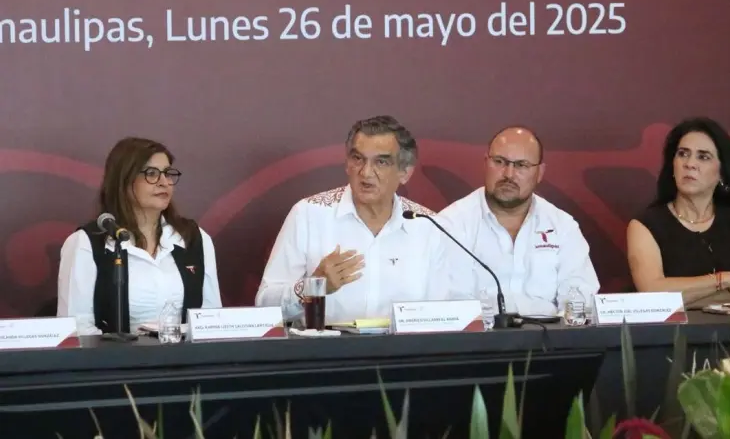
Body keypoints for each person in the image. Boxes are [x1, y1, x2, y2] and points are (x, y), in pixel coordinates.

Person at [255, 115, 453, 323]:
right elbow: (264, 305)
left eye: (381, 162)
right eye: (358, 159)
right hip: (325, 343)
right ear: (347, 164)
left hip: (405, 344)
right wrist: (312, 287)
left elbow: (444, 316)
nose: (366, 173)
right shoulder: (308, 214)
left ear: (405, 173)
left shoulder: (428, 226)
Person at [57, 137, 223, 335]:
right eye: (151, 174)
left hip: (184, 353)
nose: (164, 183)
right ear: (124, 180)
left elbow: (212, 320)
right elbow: (76, 329)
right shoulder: (86, 243)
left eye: (168, 174)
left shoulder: (194, 238)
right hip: (115, 354)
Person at [437, 126, 600, 317]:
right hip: (482, 333)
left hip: (551, 333)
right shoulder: (452, 224)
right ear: (485, 163)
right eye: (499, 162)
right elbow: (451, 304)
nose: (508, 174)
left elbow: (581, 297)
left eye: (521, 165)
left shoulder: (562, 226)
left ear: (540, 172)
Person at [627, 117, 730, 307]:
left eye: (703, 157)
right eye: (682, 154)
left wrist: (684, 296)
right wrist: (725, 280)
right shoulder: (645, 224)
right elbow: (653, 295)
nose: (690, 164)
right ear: (672, 165)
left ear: (721, 171)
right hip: (678, 328)